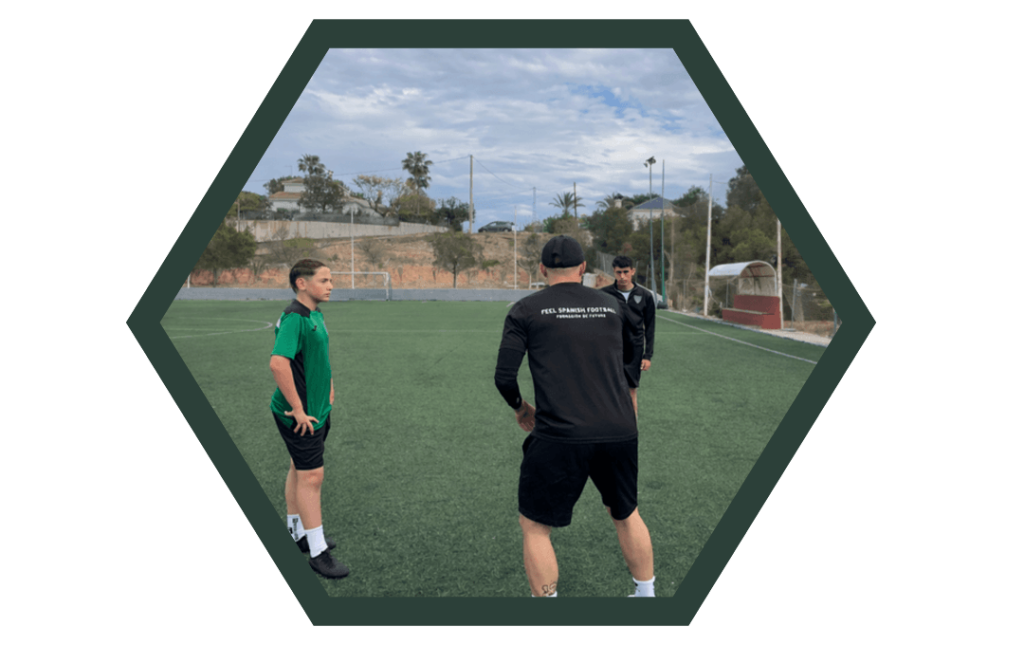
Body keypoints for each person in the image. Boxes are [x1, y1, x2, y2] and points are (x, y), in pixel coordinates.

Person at [494, 235, 655, 598]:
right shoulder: (612, 305)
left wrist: (521, 407)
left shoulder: (525, 309)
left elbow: (504, 377)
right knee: (626, 514)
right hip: (618, 429)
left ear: (541, 269)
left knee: (535, 527)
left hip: (559, 435)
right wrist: (629, 396)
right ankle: (647, 597)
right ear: (583, 268)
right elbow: (634, 356)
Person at [269, 259, 349, 579]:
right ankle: (318, 552)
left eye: (331, 280)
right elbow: (278, 364)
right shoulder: (295, 317)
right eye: (324, 280)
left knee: (299, 468)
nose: (331, 286)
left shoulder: (315, 314)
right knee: (312, 477)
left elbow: (318, 355)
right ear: (302, 283)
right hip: (300, 416)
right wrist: (299, 410)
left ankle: (296, 533)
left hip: (318, 409)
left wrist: (329, 385)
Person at [600, 256, 656, 418]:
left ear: (633, 271)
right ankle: (610, 426)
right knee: (609, 391)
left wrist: (647, 355)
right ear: (614, 272)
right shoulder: (604, 295)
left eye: (626, 272)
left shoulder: (645, 295)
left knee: (631, 392)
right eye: (619, 272)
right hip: (611, 350)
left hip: (634, 351)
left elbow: (650, 327)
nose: (622, 276)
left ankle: (632, 428)